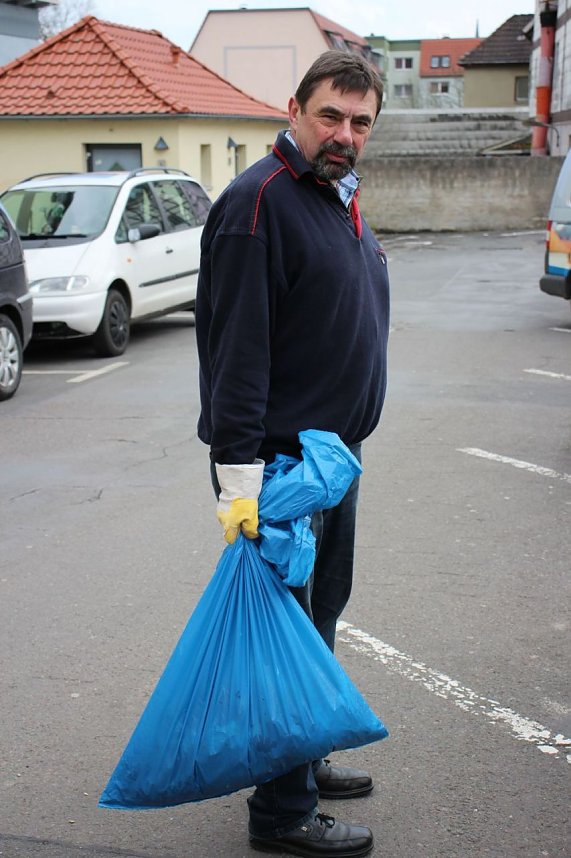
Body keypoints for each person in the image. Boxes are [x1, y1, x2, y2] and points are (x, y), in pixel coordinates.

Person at [195, 50, 389, 858]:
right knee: (284, 637)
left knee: (318, 619)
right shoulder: (259, 203)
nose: (343, 134)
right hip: (277, 469)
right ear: (294, 109)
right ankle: (280, 814)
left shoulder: (333, 194)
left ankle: (303, 757)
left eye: (360, 122)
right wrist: (239, 488)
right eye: (329, 117)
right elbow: (236, 355)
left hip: (328, 462)